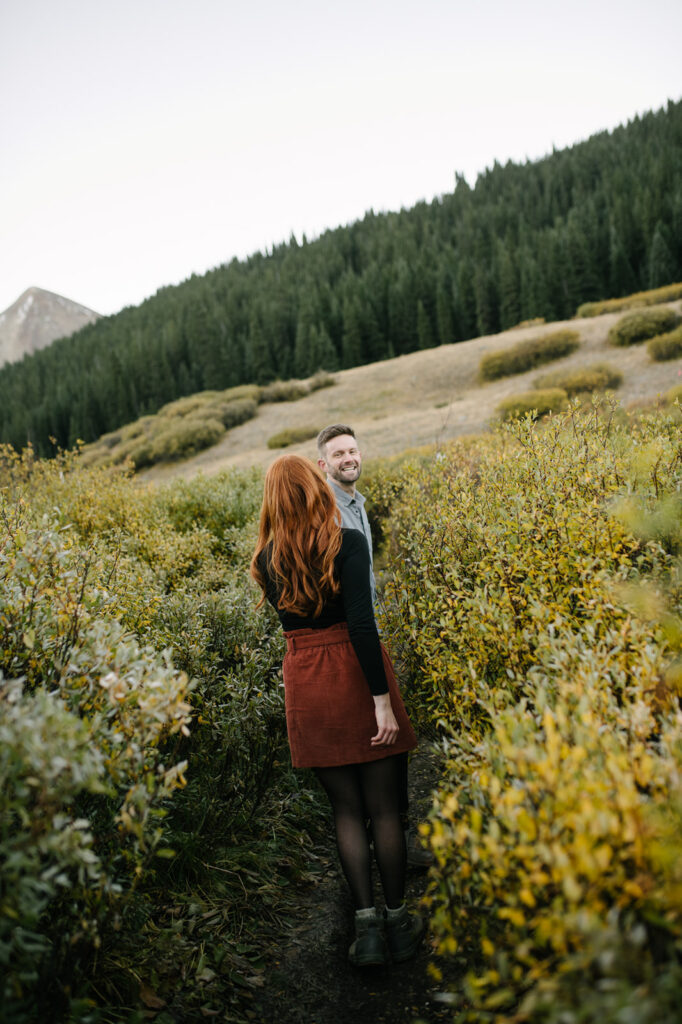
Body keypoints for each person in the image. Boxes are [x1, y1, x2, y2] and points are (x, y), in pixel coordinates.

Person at [250, 455, 425, 967]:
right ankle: (397, 921)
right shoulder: (345, 542)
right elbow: (363, 628)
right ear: (314, 488)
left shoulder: (265, 559)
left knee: (345, 811)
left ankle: (366, 929)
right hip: (352, 671)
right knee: (385, 810)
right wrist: (381, 704)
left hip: (305, 679)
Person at [316, 424, 433, 870]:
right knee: (380, 742)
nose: (349, 458)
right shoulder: (329, 511)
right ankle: (385, 841)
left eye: (352, 450)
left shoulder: (355, 503)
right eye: (338, 454)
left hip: (368, 634)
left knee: (389, 744)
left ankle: (392, 841)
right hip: (349, 640)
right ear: (323, 465)